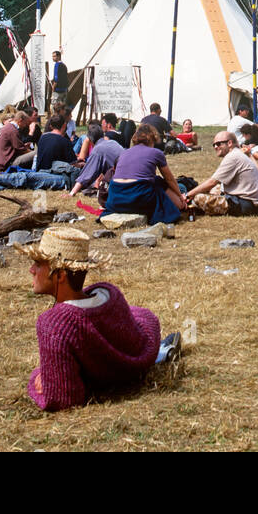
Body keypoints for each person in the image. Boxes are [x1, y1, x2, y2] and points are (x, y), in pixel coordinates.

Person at [21, 226, 167, 411]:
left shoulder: (54, 325)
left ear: (60, 276)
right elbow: (147, 320)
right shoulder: (109, 294)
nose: (31, 270)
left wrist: (39, 377)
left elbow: (61, 398)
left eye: (39, 264)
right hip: (137, 362)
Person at [0, 112, 81, 192]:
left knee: (26, 179)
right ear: (64, 126)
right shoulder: (64, 141)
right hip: (54, 173)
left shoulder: (44, 137)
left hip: (56, 175)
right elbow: (73, 163)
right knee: (27, 180)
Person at [100, 124, 186, 223]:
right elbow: (169, 179)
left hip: (116, 198)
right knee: (158, 181)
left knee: (154, 180)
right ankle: (180, 204)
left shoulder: (124, 152)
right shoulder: (156, 153)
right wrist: (179, 195)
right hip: (138, 197)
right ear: (153, 138)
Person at [184, 130, 258, 215]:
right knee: (214, 189)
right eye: (214, 145)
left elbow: (212, 182)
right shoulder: (238, 154)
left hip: (245, 205)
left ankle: (187, 206)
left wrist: (187, 195)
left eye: (218, 144)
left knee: (198, 197)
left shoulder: (233, 157)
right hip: (252, 204)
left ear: (229, 143)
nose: (215, 147)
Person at [69, 125, 125, 200]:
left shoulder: (98, 149)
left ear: (90, 140)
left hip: (119, 182)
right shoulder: (113, 142)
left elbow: (86, 175)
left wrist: (72, 193)